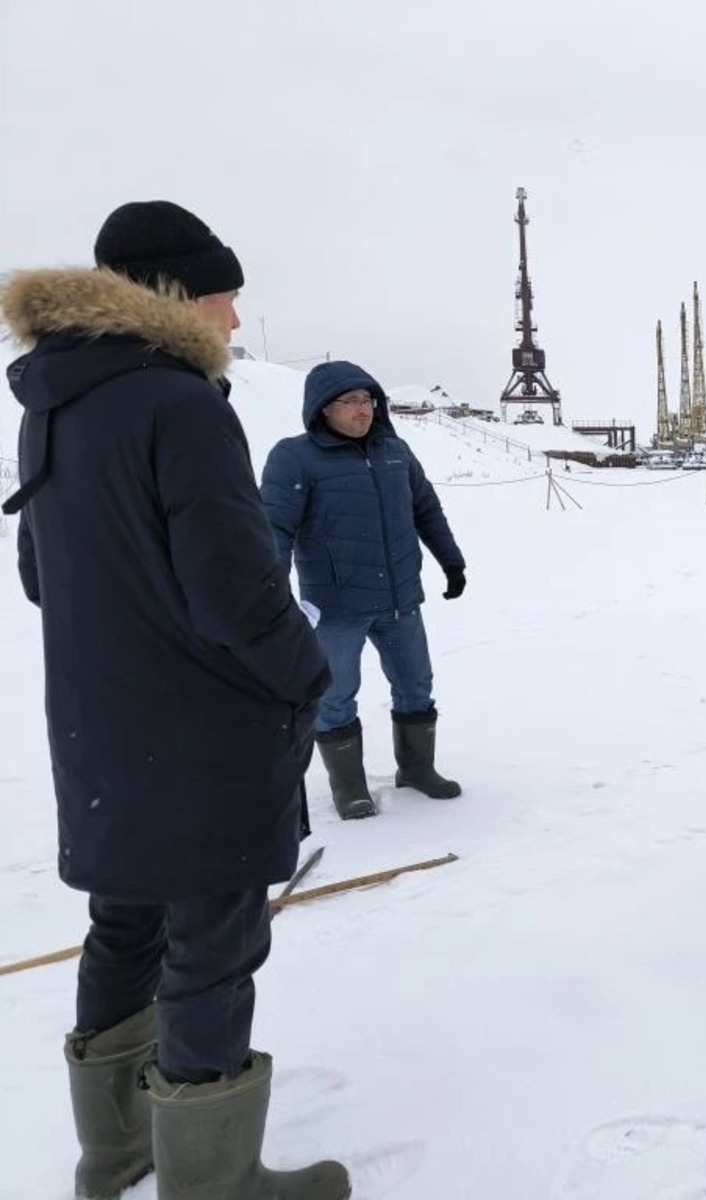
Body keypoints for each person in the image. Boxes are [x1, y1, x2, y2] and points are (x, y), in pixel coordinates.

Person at [1, 201, 349, 1197]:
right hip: (201, 735)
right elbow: (236, 593)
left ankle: (114, 1154)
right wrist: (306, 676)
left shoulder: (53, 403)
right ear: (172, 298)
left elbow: (39, 573)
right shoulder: (181, 405)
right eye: (224, 299)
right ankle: (214, 1183)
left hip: (101, 728)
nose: (234, 321)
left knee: (127, 925)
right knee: (210, 949)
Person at [261, 360, 467, 820]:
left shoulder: (395, 451)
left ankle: (417, 769)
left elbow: (426, 508)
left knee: (416, 686)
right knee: (335, 695)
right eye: (350, 401)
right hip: (336, 606)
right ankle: (349, 786)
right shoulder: (294, 457)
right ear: (323, 409)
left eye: (368, 399)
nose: (363, 410)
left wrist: (450, 559)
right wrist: (272, 596)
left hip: (400, 599)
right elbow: (273, 530)